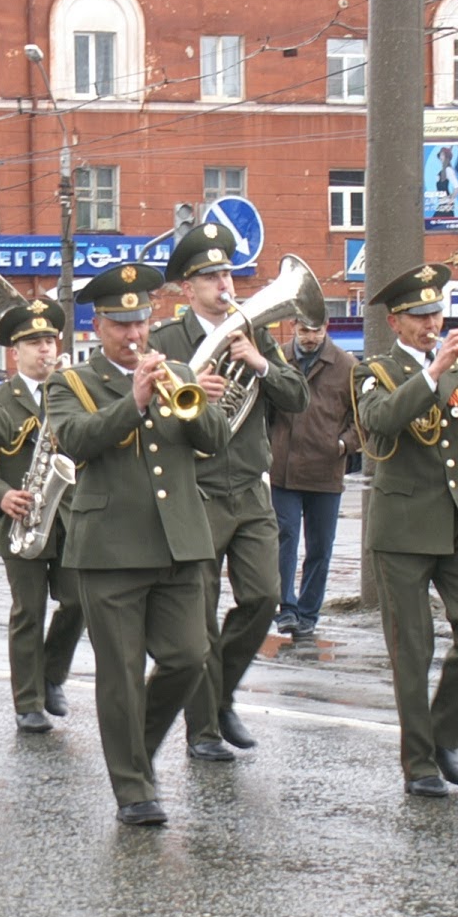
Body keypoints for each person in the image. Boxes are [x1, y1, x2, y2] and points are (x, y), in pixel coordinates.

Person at [43, 263, 227, 824]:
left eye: (141, 322)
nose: (134, 334)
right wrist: (136, 402)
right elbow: (76, 440)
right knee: (121, 673)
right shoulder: (70, 382)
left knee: (189, 657)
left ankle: (133, 753)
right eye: (122, 325)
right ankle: (133, 790)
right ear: (98, 326)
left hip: (179, 542)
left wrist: (196, 400)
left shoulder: (178, 371)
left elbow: (215, 440)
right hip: (110, 549)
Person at [353, 265, 458, 796]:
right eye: (419, 317)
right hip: (403, 526)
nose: (431, 325)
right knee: (412, 650)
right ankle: (419, 763)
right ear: (395, 322)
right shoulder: (373, 370)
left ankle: (445, 735)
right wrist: (432, 373)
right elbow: (381, 420)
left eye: (436, 314)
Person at [148, 223, 307, 760]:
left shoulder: (255, 335)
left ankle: (220, 695)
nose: (225, 285)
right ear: (187, 287)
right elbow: (148, 413)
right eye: (211, 277)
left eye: (228, 274)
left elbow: (298, 399)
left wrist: (260, 364)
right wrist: (192, 390)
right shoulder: (167, 341)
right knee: (200, 613)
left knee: (264, 597)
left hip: (250, 489)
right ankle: (204, 730)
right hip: (196, 491)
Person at [0, 299, 83, 733]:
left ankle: (52, 674)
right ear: (14, 351)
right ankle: (28, 703)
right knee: (29, 612)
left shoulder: (72, 391)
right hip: (21, 518)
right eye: (34, 343)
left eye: (49, 341)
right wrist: (1, 495)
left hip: (70, 515)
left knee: (79, 601)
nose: (45, 350)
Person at [268, 282, 356, 633]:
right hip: (283, 470)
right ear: (293, 326)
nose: (309, 337)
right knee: (285, 539)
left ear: (326, 328)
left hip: (326, 471)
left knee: (320, 548)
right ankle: (286, 608)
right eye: (304, 330)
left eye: (316, 331)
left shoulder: (347, 365)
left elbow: (362, 419)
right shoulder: (277, 359)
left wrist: (343, 445)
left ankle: (308, 614)